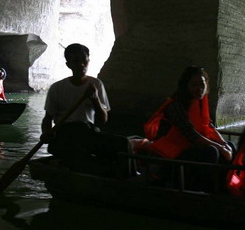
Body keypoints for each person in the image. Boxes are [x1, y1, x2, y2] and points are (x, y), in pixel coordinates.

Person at [42, 44, 128, 176]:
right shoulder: (57, 88)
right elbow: (48, 118)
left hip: (88, 132)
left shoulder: (96, 85)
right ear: (68, 64)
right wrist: (47, 132)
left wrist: (95, 100)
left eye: (84, 60)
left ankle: (126, 177)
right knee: (78, 147)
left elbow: (103, 120)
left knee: (123, 143)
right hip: (66, 134)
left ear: (88, 60)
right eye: (76, 61)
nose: (81, 64)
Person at [143, 66, 232, 191]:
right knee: (212, 151)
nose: (199, 89)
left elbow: (209, 126)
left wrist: (224, 144)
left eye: (202, 85)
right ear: (186, 86)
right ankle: (202, 190)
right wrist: (220, 148)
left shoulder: (199, 103)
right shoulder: (176, 106)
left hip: (189, 147)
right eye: (194, 85)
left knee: (230, 145)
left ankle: (223, 189)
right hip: (173, 152)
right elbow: (192, 135)